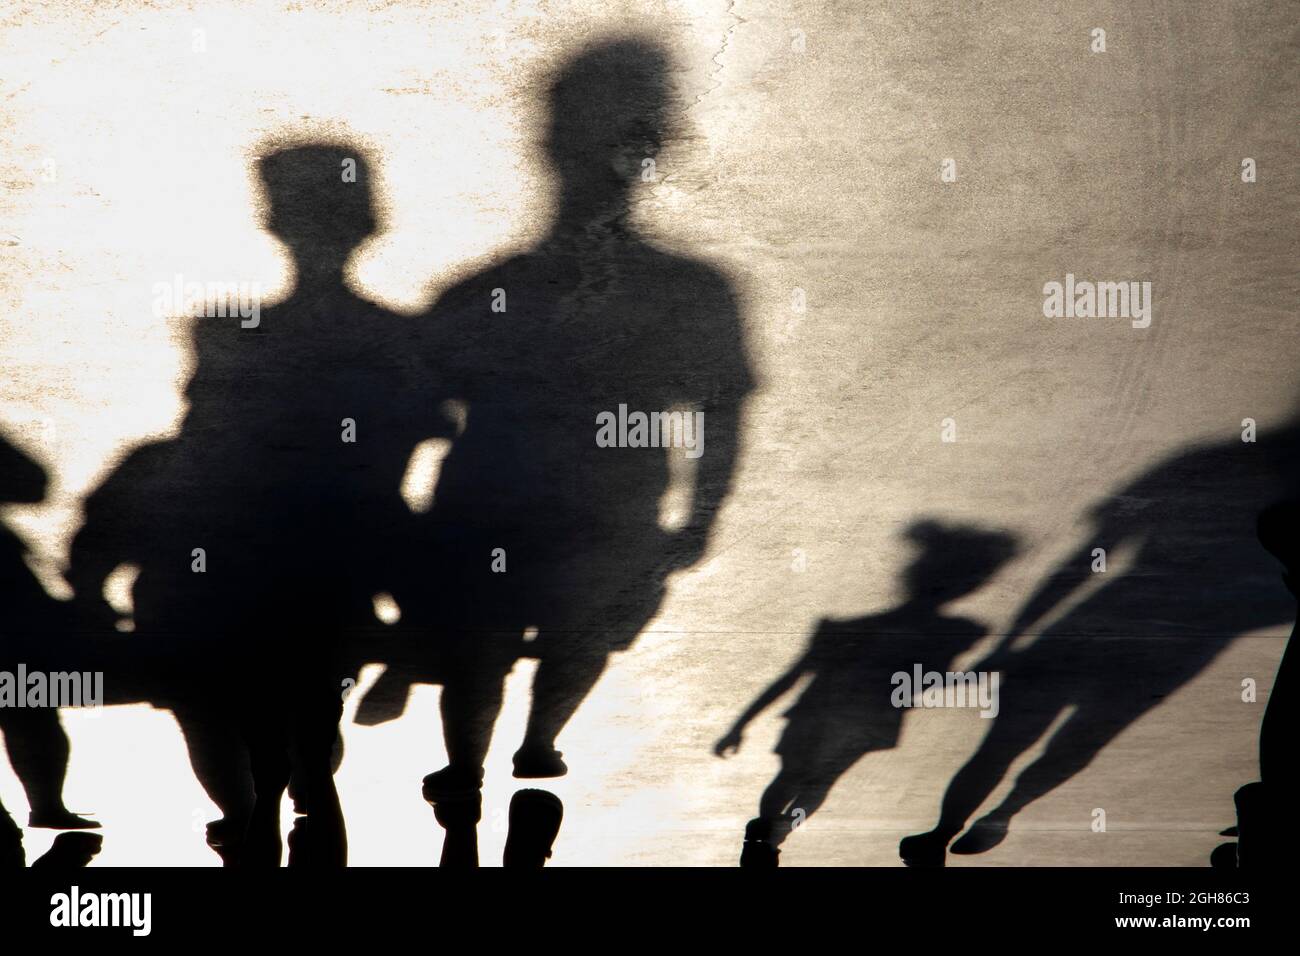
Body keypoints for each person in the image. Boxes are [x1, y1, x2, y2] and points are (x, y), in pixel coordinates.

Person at [715, 521, 1016, 866]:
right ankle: (769, 839)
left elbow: (791, 678)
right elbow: (926, 682)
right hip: (867, 719)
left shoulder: (842, 630)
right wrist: (975, 677)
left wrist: (740, 724)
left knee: (792, 776)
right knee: (819, 781)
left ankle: (762, 840)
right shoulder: (952, 634)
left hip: (821, 712)